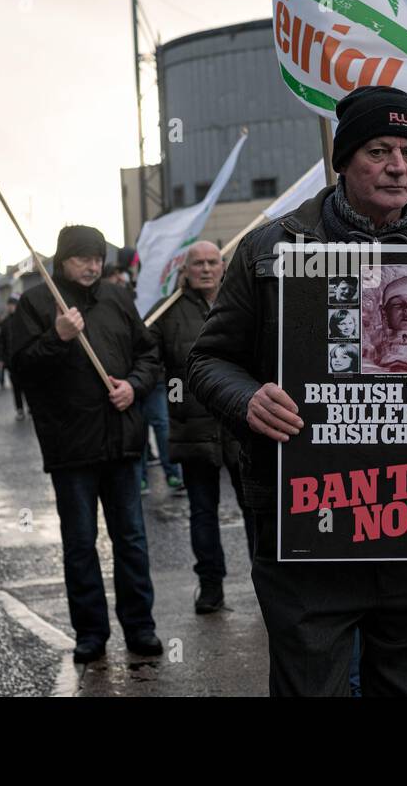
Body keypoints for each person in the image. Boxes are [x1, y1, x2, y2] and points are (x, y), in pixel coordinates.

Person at [188, 84, 407, 696]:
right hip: (308, 524)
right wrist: (247, 400)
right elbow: (208, 360)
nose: (398, 166)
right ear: (344, 160)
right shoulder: (272, 249)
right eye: (379, 150)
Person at [10, 224, 163, 663]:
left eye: (97, 257)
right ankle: (90, 634)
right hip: (70, 445)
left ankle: (141, 627)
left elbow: (148, 354)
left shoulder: (117, 298)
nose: (93, 266)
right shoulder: (37, 303)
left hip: (121, 440)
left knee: (131, 538)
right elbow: (21, 369)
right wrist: (55, 337)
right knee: (80, 543)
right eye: (82, 258)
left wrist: (134, 387)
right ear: (62, 261)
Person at [149, 241, 255, 615]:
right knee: (203, 512)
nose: (206, 269)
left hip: (241, 426)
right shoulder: (167, 312)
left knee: (254, 507)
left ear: (223, 265)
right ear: (187, 269)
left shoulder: (244, 301)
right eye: (199, 263)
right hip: (192, 428)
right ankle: (211, 585)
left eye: (213, 262)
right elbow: (147, 359)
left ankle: (267, 581)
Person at [0, 295, 26, 420]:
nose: (10, 307)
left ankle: (30, 407)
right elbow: (1, 342)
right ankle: (19, 409)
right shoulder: (4, 323)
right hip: (11, 361)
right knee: (16, 387)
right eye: (9, 305)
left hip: (25, 360)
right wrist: (1, 359)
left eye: (12, 305)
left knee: (27, 385)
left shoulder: (24, 320)